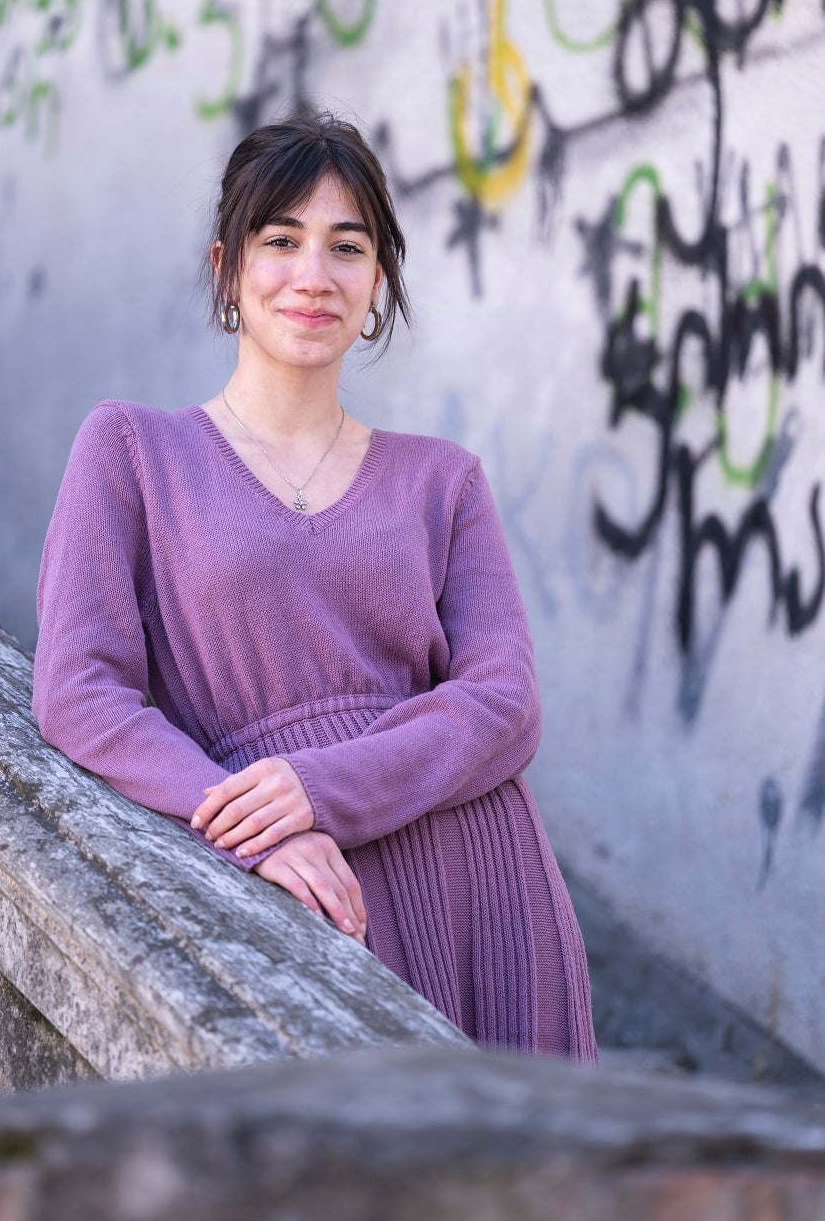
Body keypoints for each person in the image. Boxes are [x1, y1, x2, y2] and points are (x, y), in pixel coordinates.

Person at [31, 110, 597, 1060]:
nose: (312, 274)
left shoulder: (442, 479)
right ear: (227, 267)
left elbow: (505, 701)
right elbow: (79, 692)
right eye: (279, 239)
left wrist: (318, 789)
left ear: (378, 279)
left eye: (348, 246)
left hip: (481, 877)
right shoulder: (133, 450)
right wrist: (248, 825)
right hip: (301, 890)